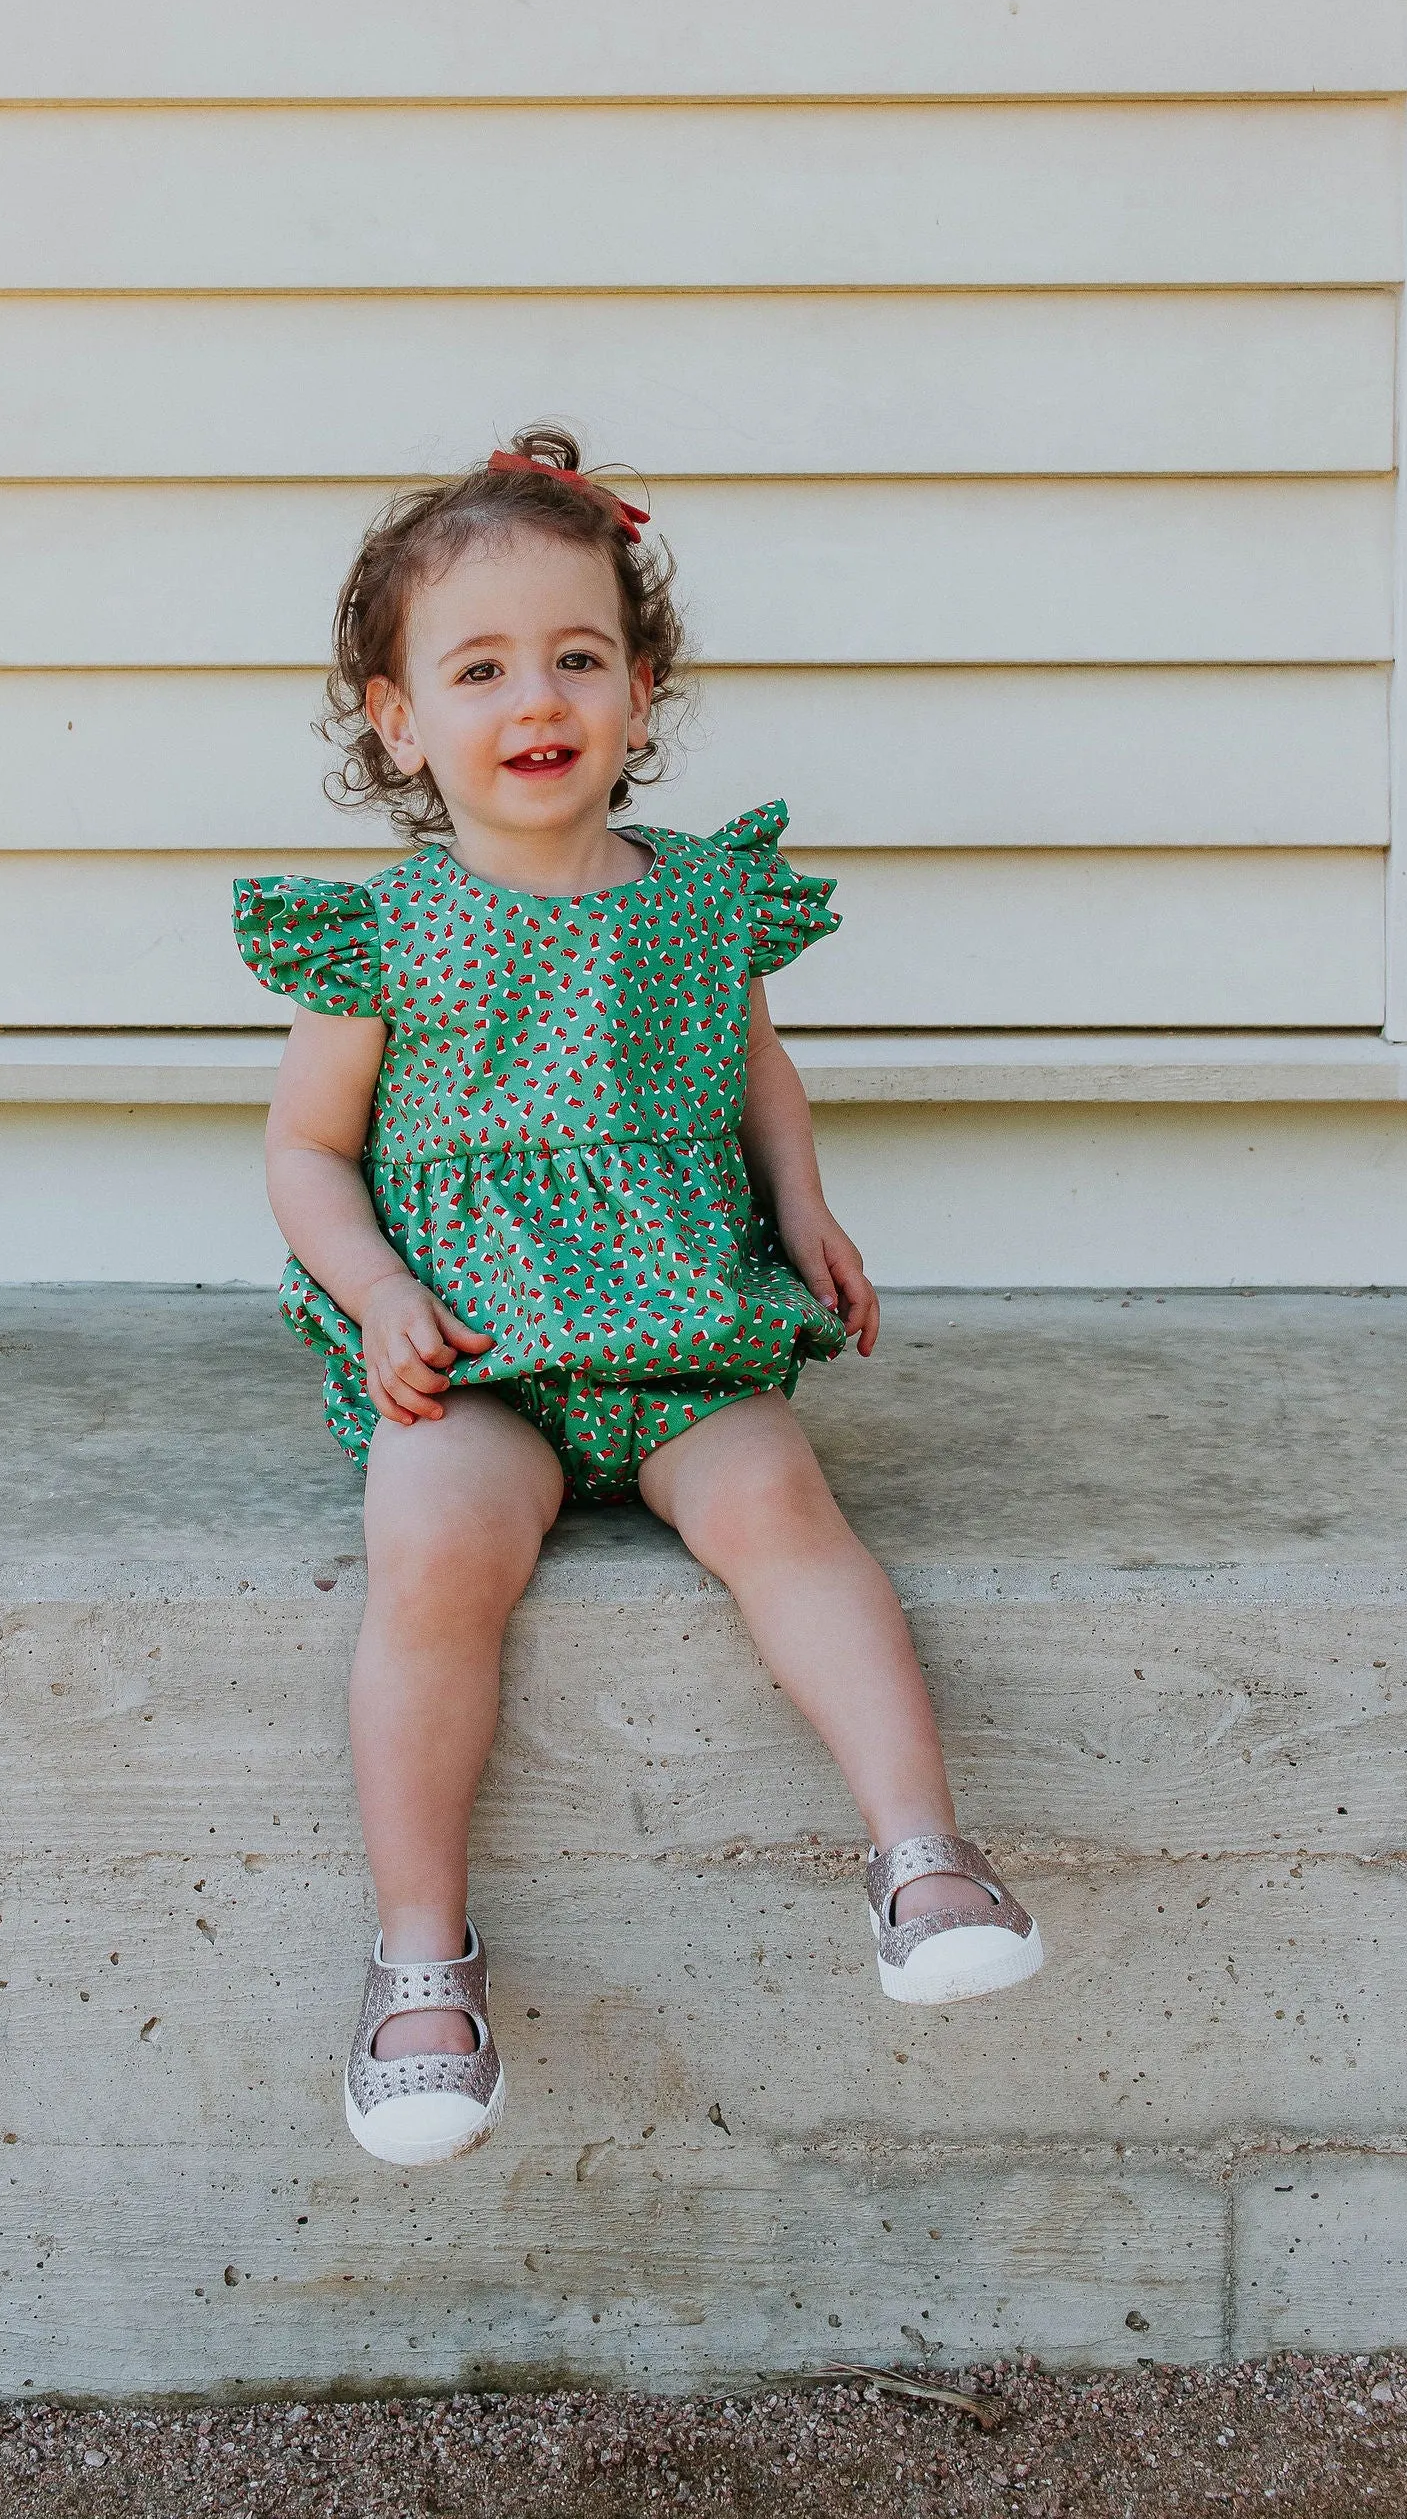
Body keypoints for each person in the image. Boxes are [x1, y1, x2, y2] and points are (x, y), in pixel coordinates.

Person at [234, 427, 1043, 2169]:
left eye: (578, 656)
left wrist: (805, 1211)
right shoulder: (385, 936)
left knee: (782, 1502)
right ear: (397, 718)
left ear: (642, 687)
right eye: (480, 667)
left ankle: (924, 1856)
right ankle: (419, 1963)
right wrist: (377, 1293)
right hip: (482, 1346)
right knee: (436, 1550)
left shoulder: (699, 902)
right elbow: (306, 1155)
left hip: (679, 1321)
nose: (539, 696)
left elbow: (762, 1078)